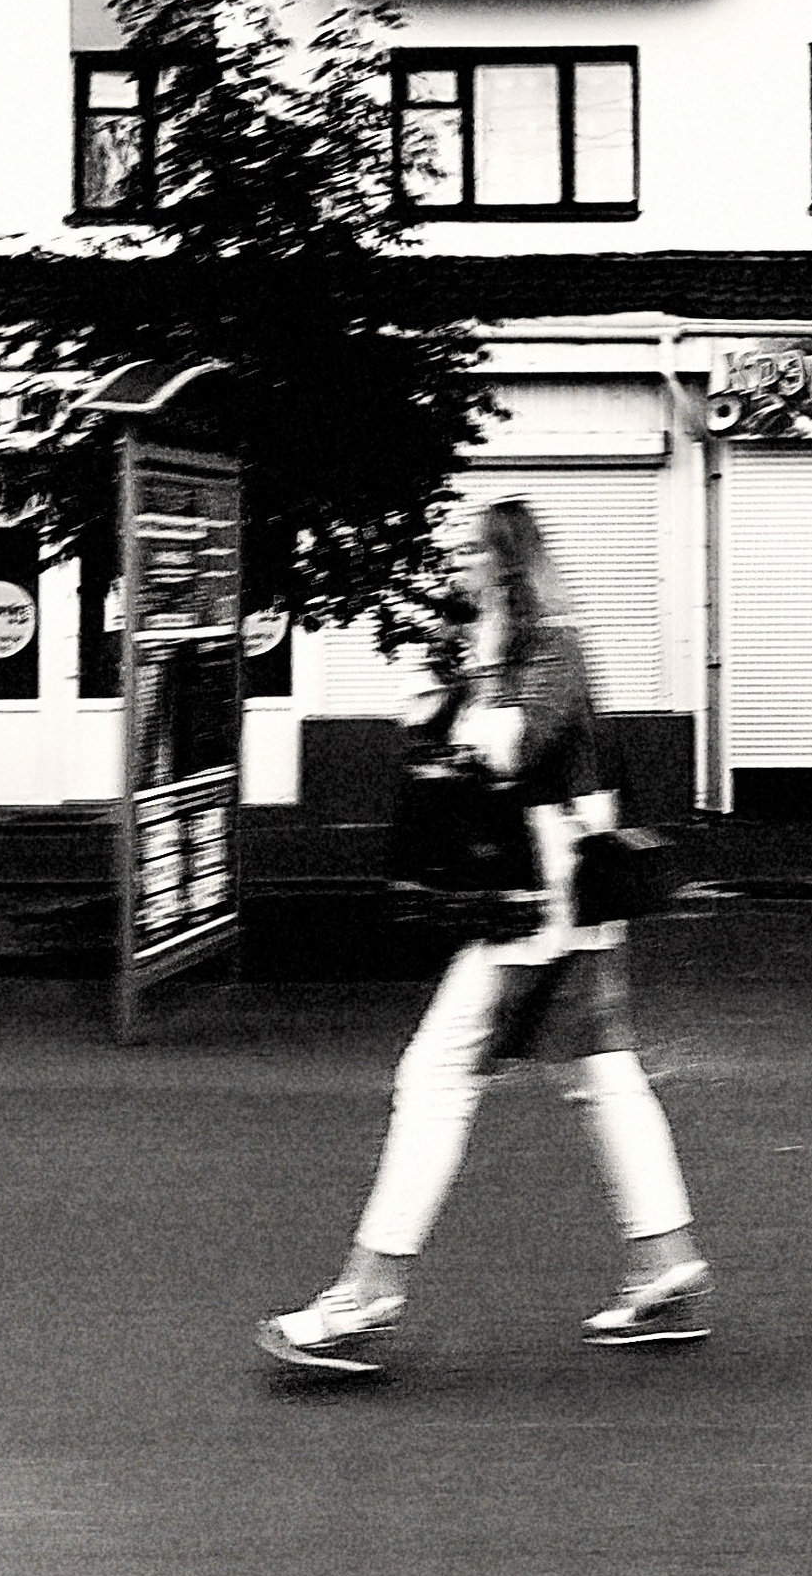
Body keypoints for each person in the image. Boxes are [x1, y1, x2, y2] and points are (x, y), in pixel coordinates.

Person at [259, 499, 710, 1370]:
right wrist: (445, 689)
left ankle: (368, 1291)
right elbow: (441, 746)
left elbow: (510, 752)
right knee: (604, 1078)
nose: (454, 563)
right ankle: (668, 1263)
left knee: (434, 1077)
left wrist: (462, 700)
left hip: (539, 900)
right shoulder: (492, 650)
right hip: (553, 897)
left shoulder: (549, 647)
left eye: (469, 550)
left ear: (506, 562)